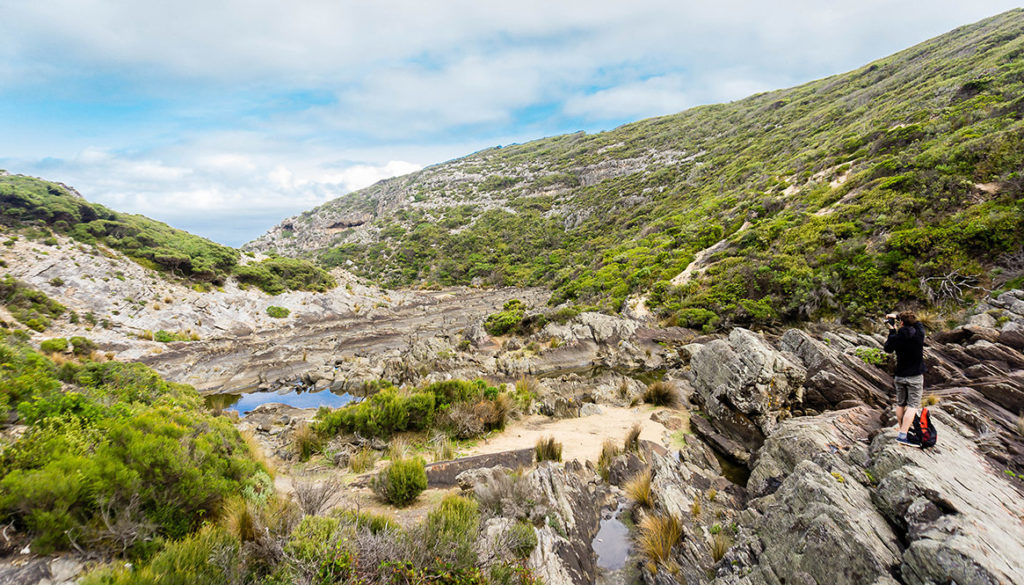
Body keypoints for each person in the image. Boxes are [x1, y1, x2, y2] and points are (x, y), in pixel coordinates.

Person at [883, 310, 926, 446]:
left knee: (901, 404)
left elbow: (888, 349)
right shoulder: (919, 333)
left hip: (900, 376)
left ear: (901, 323)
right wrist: (899, 317)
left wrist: (892, 331)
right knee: (913, 406)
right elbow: (918, 322)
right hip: (915, 376)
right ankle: (903, 435)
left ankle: (903, 431)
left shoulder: (897, 337)